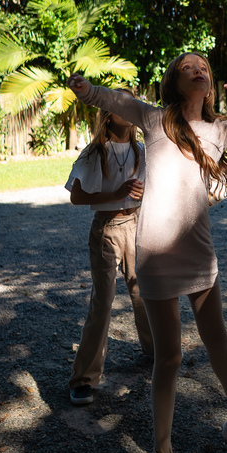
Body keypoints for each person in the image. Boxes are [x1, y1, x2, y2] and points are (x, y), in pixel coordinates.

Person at [67, 57, 227, 453]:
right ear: (174, 80)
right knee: (170, 357)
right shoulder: (155, 119)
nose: (199, 68)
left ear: (212, 83)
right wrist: (87, 90)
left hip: (200, 252)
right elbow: (116, 101)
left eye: (204, 65)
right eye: (188, 65)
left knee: (218, 340)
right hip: (156, 254)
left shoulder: (220, 130)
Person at [64, 91, 155, 407]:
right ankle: (83, 379)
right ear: (107, 113)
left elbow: (154, 188)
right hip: (107, 230)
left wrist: (144, 192)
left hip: (138, 226)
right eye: (118, 106)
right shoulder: (94, 154)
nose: (126, 111)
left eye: (131, 105)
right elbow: (76, 197)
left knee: (143, 293)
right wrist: (115, 193)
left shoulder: (144, 151)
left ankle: (156, 353)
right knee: (102, 303)